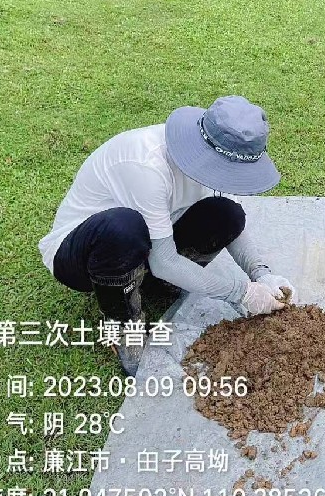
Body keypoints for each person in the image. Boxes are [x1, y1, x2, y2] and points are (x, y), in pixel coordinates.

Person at [38, 95, 295, 375]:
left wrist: (262, 274)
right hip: (84, 255)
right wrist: (241, 293)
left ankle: (162, 285)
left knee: (228, 214)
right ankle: (125, 324)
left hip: (151, 241)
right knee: (123, 227)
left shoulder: (215, 155)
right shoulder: (147, 166)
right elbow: (164, 262)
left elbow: (231, 227)